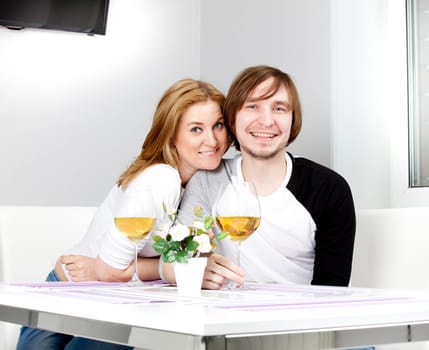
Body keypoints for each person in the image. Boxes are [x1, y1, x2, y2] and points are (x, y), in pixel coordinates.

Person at [16, 78, 230, 350]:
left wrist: (159, 268)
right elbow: (110, 271)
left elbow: (121, 269)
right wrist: (169, 270)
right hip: (72, 291)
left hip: (116, 297)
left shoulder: (202, 184)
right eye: (196, 129)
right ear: (171, 135)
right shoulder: (160, 180)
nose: (211, 140)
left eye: (218, 125)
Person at [161, 65, 356, 290]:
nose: (266, 121)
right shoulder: (207, 182)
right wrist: (194, 267)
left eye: (279, 109)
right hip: (221, 319)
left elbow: (331, 293)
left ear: (293, 119)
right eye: (253, 106)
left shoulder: (329, 189)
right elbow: (178, 256)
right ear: (232, 118)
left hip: (297, 320)